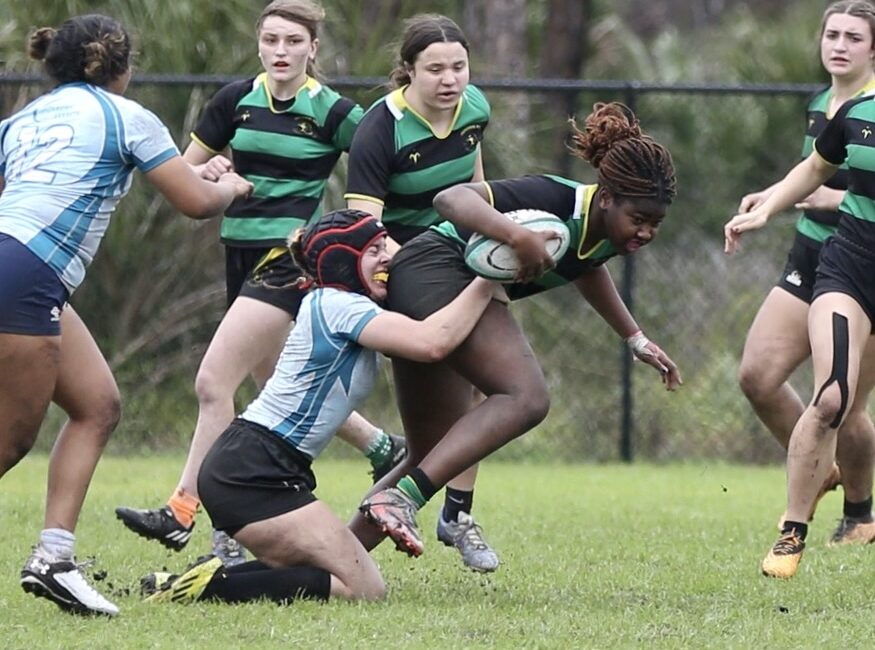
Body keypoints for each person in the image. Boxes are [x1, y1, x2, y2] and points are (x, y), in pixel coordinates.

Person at [114, 0, 404, 564]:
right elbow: (182, 171)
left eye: (293, 41)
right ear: (259, 44)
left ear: (312, 49)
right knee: (271, 386)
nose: (280, 51)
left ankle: (182, 510)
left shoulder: (335, 111)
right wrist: (212, 170)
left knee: (213, 384)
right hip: (238, 256)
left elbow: (378, 162)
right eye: (271, 39)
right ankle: (381, 445)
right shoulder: (234, 101)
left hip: (287, 261)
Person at [0, 14, 253, 617]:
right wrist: (231, 188)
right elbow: (194, 204)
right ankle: (53, 560)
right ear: (122, 68)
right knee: (9, 441)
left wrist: (199, 169)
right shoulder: (126, 115)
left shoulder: (20, 122)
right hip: (27, 276)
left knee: (97, 406)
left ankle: (54, 560)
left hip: (21, 268)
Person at [353, 102, 682, 558]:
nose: (645, 232)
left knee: (429, 452)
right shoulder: (556, 197)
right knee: (527, 396)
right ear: (606, 198)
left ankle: (334, 557)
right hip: (430, 268)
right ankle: (402, 499)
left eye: (656, 224)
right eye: (639, 219)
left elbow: (586, 267)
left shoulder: (606, 235)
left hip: (443, 287)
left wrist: (636, 339)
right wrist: (515, 235)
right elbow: (450, 201)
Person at [140, 209, 502, 605]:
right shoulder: (339, 305)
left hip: (258, 466)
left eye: (386, 247)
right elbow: (433, 341)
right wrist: (487, 276)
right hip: (252, 469)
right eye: (374, 250)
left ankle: (187, 582)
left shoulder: (334, 303)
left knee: (311, 570)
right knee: (365, 589)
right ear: (343, 261)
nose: (388, 258)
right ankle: (208, 589)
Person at [725, 3, 875, 579]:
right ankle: (796, 527)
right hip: (840, 263)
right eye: (831, 33)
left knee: (852, 406)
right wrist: (767, 206)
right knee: (826, 395)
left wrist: (819, 198)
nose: (838, 44)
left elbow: (839, 188)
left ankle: (859, 511)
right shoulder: (842, 111)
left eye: (852, 36)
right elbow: (814, 169)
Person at [344, 13, 499, 572]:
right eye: (435, 68)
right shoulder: (379, 129)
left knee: (492, 384)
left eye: (459, 66)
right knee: (431, 435)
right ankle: (346, 542)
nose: (450, 79)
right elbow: (364, 232)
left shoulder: (476, 108)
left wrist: (491, 235)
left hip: (464, 257)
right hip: (407, 271)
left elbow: (476, 183)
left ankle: (457, 512)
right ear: (407, 71)